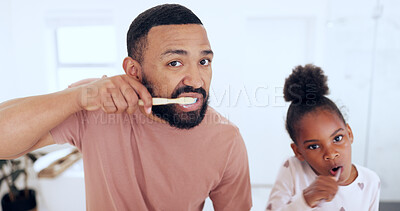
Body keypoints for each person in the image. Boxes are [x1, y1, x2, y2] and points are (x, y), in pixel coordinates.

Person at [0, 4, 252, 210]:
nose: (196, 80)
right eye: (175, 63)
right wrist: (76, 98)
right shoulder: (97, 108)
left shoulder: (227, 139)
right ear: (134, 71)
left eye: (204, 61)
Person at [266, 64, 380, 211]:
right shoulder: (293, 170)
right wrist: (305, 200)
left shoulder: (370, 182)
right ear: (298, 151)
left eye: (337, 138)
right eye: (314, 146)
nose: (331, 154)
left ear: (349, 133)